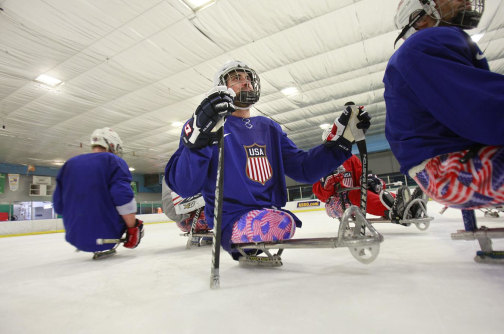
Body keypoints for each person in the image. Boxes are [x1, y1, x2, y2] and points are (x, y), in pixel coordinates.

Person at [384, 0, 504, 210]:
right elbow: (492, 115)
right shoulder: (425, 43)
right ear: (420, 18)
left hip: (444, 168)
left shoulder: (432, 45)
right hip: (450, 168)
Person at [165, 60, 370, 260]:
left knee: (280, 221)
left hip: (270, 214)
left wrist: (341, 142)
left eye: (248, 78)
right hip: (231, 220)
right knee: (279, 222)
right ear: (220, 87)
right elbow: (184, 186)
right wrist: (199, 140)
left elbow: (304, 168)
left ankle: (267, 222)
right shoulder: (205, 126)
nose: (246, 82)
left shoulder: (268, 127)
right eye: (236, 78)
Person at [53, 127, 143, 258]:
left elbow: (59, 206)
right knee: (134, 220)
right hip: (107, 234)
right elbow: (123, 198)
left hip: (75, 236)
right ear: (112, 145)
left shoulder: (69, 164)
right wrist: (133, 227)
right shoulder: (113, 161)